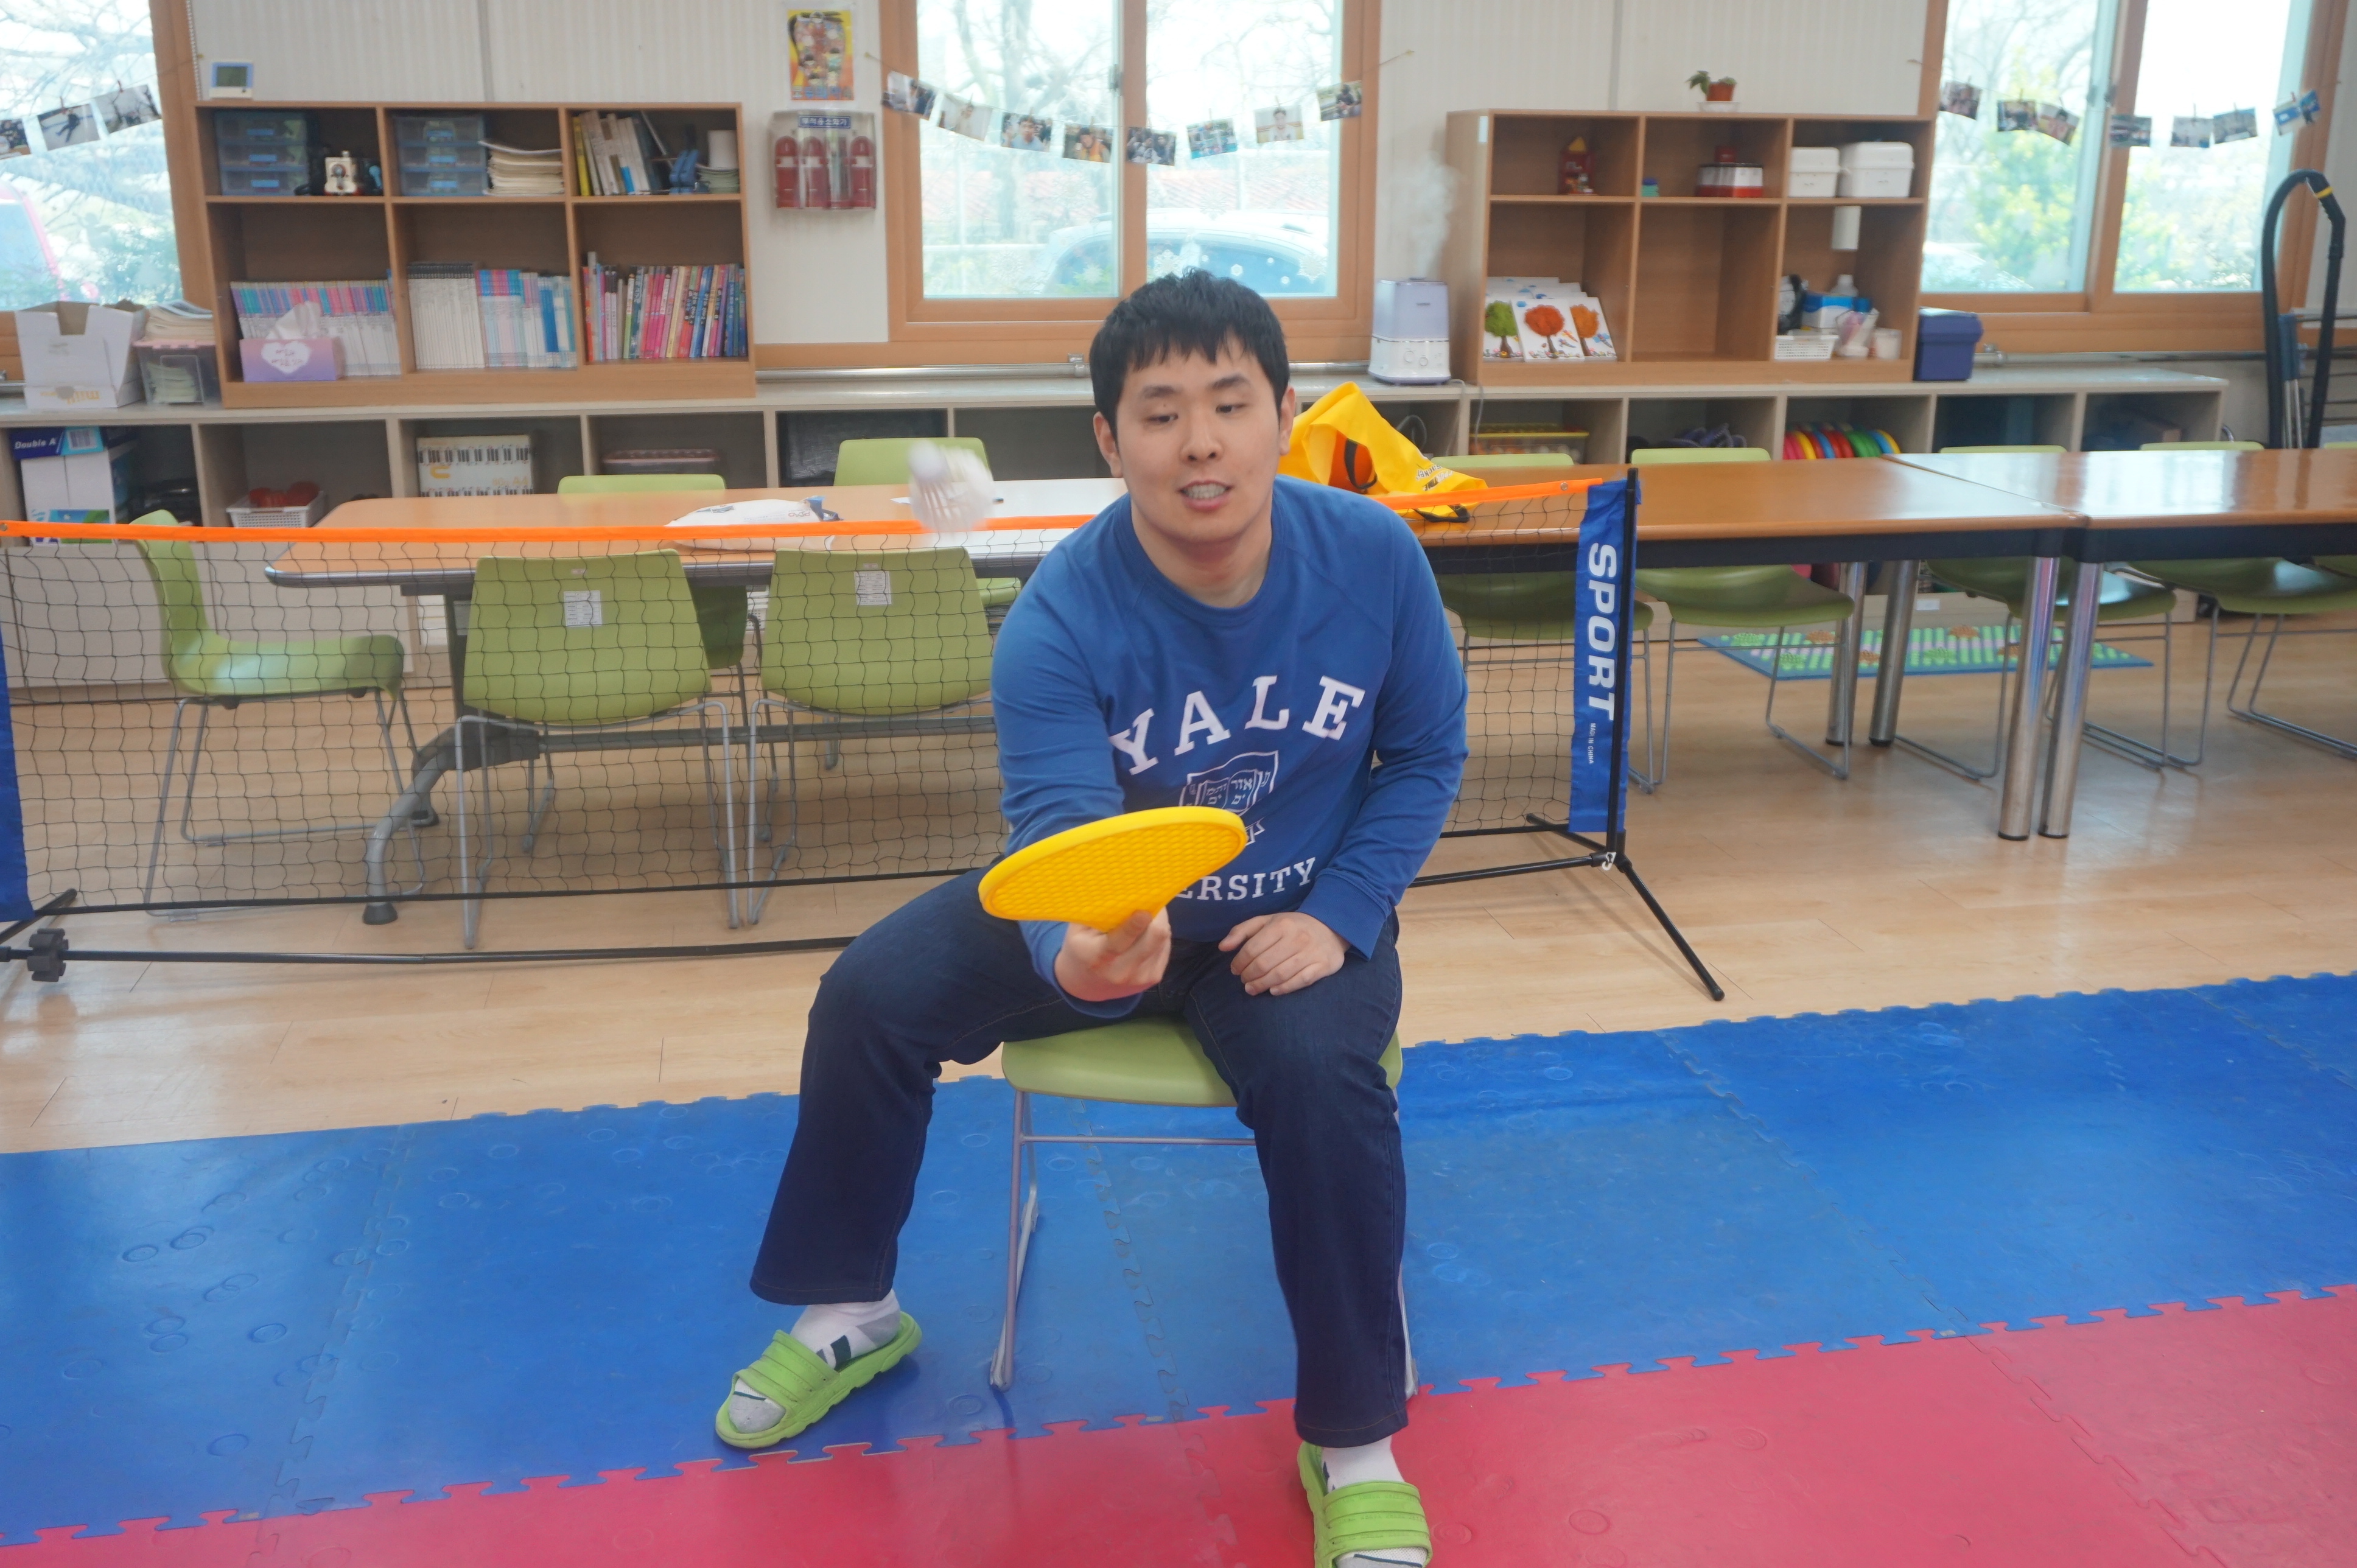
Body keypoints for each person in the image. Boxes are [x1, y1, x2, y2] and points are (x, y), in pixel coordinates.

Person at [718, 270, 1465, 1567]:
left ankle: (1353, 1441)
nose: (1200, 442)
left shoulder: (1374, 558)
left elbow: (1427, 755)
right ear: (1111, 441)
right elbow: (1056, 833)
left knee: (1323, 1080)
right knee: (869, 997)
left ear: (1286, 412)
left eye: (1229, 403)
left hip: (1293, 920)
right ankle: (853, 1308)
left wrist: (1345, 914)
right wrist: (1079, 954)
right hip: (1110, 912)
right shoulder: (1059, 612)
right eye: (1161, 413)